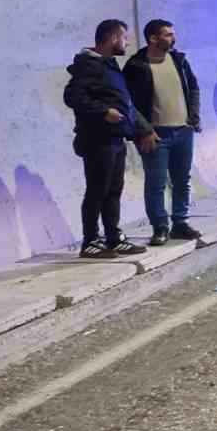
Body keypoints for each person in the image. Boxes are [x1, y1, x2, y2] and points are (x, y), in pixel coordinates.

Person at [63, 20, 151, 257]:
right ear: (113, 38)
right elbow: (73, 96)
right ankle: (91, 241)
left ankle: (113, 237)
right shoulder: (90, 65)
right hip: (97, 140)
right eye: (125, 37)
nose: (128, 42)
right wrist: (103, 112)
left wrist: (144, 129)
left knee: (113, 190)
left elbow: (125, 103)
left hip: (115, 139)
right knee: (97, 190)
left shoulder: (109, 65)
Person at [123, 19, 203, 247]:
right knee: (156, 182)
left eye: (172, 34)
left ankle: (180, 223)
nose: (173, 38)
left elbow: (194, 88)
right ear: (153, 38)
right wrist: (144, 130)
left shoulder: (179, 60)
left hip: (183, 131)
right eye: (167, 35)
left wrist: (193, 117)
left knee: (182, 180)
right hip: (155, 135)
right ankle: (160, 227)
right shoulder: (136, 66)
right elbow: (128, 103)